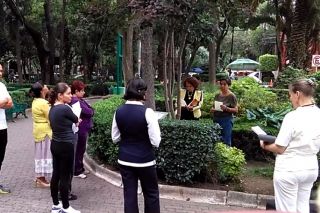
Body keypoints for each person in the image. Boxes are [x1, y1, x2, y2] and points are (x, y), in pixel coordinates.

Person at [260, 79, 320, 213]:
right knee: (303, 208)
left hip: (289, 169)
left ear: (297, 94)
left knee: (286, 209)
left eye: (290, 94)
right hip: (310, 168)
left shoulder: (292, 117)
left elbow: (280, 148)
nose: (290, 98)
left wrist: (265, 145)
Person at [111, 78, 161, 213]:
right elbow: (156, 141)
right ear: (143, 93)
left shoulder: (118, 111)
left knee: (129, 195)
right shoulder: (148, 112)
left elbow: (114, 138)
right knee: (151, 194)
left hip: (125, 160)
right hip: (145, 160)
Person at [49, 83, 80, 213]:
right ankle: (66, 207)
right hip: (66, 145)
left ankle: (56, 205)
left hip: (55, 144)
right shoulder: (65, 108)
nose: (71, 95)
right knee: (65, 176)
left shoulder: (52, 108)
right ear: (60, 95)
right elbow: (76, 119)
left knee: (56, 174)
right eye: (68, 93)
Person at [30, 82, 52, 187]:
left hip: (38, 130)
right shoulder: (43, 103)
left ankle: (39, 177)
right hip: (45, 131)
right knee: (44, 154)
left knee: (39, 153)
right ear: (42, 91)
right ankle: (41, 178)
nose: (47, 87)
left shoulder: (35, 101)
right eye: (45, 86)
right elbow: (50, 118)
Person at [70, 80, 94, 179]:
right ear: (76, 91)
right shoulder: (76, 101)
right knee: (79, 150)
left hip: (82, 128)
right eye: (82, 90)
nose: (84, 92)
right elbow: (89, 111)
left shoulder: (80, 100)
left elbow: (90, 109)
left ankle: (80, 168)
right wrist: (91, 111)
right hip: (80, 129)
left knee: (81, 149)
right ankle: (77, 170)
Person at [210, 77, 238, 146]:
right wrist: (212, 109)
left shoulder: (232, 96)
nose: (222, 86)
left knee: (226, 140)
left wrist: (227, 108)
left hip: (226, 120)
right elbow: (214, 106)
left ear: (228, 85)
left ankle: (226, 156)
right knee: (216, 139)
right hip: (216, 119)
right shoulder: (217, 95)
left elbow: (236, 110)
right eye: (221, 84)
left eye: (224, 84)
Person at [0, 64, 13, 194]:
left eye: (1, 70)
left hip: (2, 126)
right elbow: (5, 102)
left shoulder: (2, 86)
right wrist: (3, 102)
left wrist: (3, 102)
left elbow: (11, 103)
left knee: (1, 156)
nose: (0, 73)